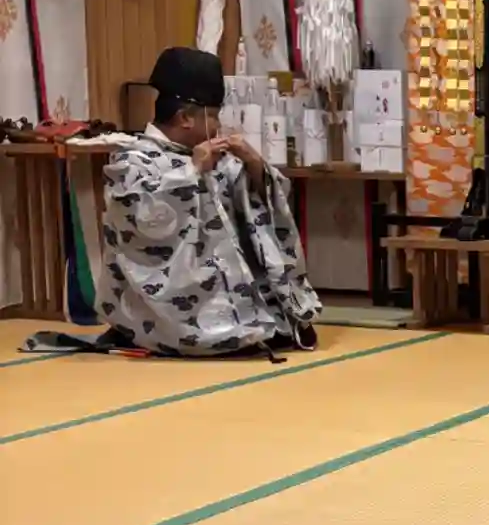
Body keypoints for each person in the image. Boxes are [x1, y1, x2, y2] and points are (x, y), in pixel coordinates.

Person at [95, 46, 320, 356]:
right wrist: (191, 172)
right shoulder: (131, 161)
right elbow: (143, 221)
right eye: (212, 116)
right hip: (171, 296)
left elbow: (262, 203)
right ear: (186, 117)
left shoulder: (214, 157)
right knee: (236, 333)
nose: (218, 126)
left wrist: (254, 164)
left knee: (280, 325)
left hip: (230, 281)